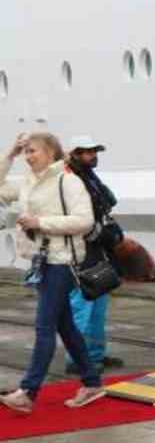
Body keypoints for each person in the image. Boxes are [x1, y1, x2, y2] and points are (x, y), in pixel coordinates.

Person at [0, 132, 106, 413]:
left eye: (33, 151)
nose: (28, 156)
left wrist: (40, 222)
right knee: (65, 326)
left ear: (50, 153)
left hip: (63, 262)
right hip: (42, 260)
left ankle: (29, 391)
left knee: (44, 326)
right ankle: (92, 382)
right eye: (26, 152)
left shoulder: (67, 181)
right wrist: (9, 155)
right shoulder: (28, 183)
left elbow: (84, 221)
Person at [64, 135, 124, 374]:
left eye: (94, 151)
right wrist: (100, 233)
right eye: (87, 152)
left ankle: (95, 354)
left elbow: (105, 204)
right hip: (81, 250)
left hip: (97, 249)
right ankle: (77, 358)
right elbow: (76, 217)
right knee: (82, 304)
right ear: (75, 154)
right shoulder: (70, 180)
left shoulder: (88, 177)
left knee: (98, 303)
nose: (93, 156)